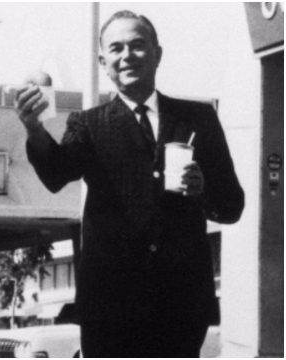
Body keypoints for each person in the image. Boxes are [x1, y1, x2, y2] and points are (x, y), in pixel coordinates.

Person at [14, 10, 244, 358]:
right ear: (103, 62)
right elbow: (56, 174)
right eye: (116, 48)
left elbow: (231, 206)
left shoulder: (199, 119)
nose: (127, 56)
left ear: (157, 54)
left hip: (181, 305)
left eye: (137, 45)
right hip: (110, 308)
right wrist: (34, 129)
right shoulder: (88, 124)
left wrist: (203, 190)